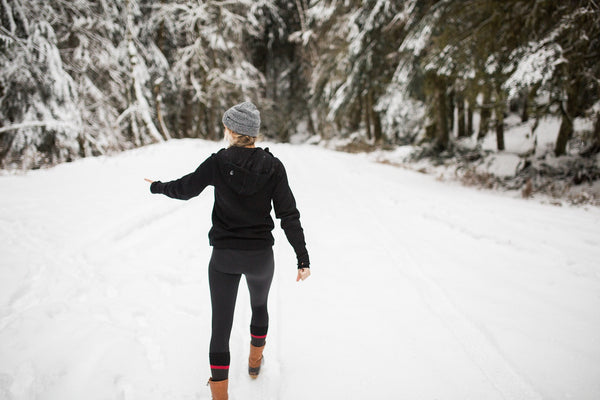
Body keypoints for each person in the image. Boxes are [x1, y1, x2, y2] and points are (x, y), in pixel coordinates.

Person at [145, 101, 310, 400]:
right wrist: (302, 258)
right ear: (253, 134)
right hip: (260, 258)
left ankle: (220, 395)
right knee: (259, 307)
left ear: (232, 131)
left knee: (220, 325)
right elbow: (289, 214)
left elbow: (185, 189)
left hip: (223, 259)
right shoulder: (273, 167)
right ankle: (254, 363)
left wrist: (157, 186)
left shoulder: (218, 162)